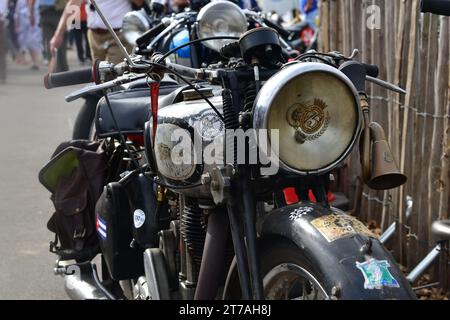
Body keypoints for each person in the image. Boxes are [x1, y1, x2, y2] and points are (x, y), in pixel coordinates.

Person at [50, 0, 139, 65]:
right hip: (94, 36)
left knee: (113, 77)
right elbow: (73, 4)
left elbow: (139, 2)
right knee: (99, 77)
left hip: (118, 35)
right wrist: (58, 34)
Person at [15, 0, 42, 70]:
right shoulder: (20, 1)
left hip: (35, 25)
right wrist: (17, 25)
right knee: (27, 44)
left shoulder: (38, 1)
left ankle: (35, 62)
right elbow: (17, 13)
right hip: (24, 26)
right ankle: (33, 61)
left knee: (34, 43)